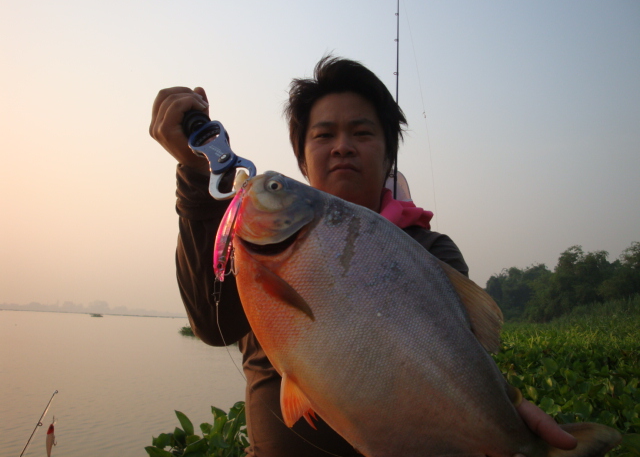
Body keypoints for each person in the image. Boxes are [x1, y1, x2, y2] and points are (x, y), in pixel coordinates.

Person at [150, 56, 577, 456]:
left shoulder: (430, 251)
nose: (342, 147)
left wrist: (508, 408)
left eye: (362, 133)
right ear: (301, 158)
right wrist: (193, 174)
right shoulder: (256, 253)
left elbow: (456, 358)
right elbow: (213, 324)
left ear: (389, 154)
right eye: (324, 135)